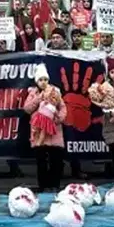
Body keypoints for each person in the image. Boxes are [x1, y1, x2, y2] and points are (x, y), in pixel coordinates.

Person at [23, 63, 67, 192]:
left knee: (56, 160)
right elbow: (27, 109)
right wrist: (38, 98)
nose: (43, 82)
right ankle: (44, 185)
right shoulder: (33, 93)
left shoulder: (55, 92)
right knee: (41, 161)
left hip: (54, 131)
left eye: (45, 80)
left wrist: (58, 119)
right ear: (37, 81)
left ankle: (55, 185)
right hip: (39, 133)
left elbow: (62, 107)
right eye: (40, 80)